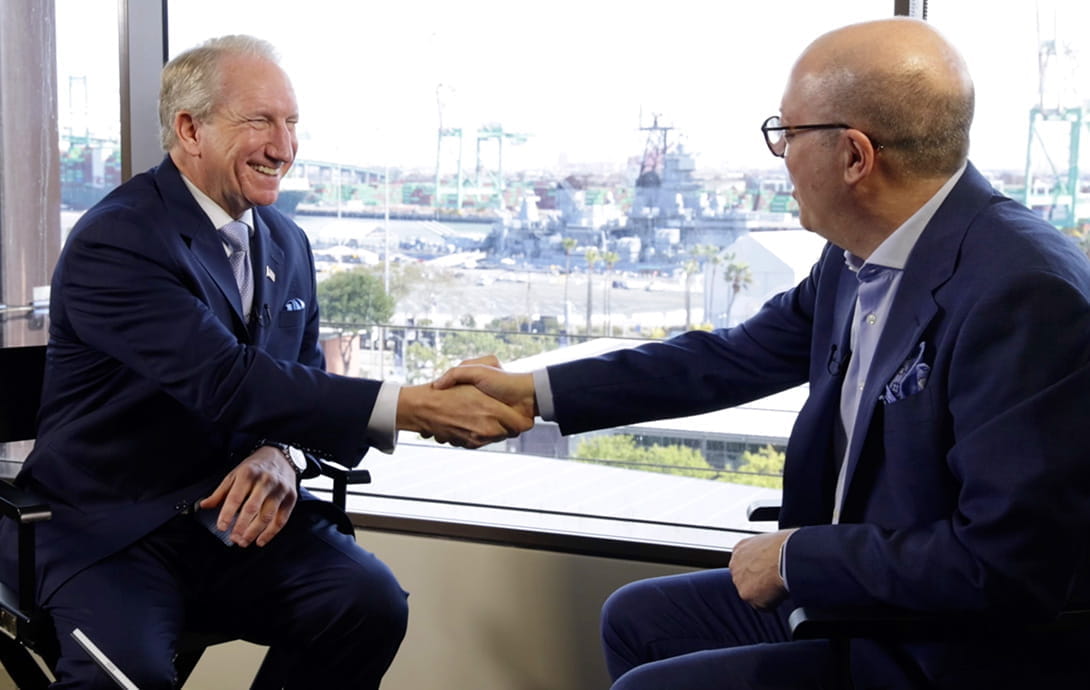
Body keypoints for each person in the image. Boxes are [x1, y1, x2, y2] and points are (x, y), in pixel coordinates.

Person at [436, 17, 1090, 690]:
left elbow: (1006, 564)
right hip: (862, 596)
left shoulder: (1024, 294)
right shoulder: (857, 257)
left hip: (947, 646)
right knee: (638, 620)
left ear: (855, 156)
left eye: (787, 132)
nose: (778, 156)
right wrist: (534, 392)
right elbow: (725, 360)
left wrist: (794, 559)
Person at [0, 35, 531, 689]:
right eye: (260, 121)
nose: (283, 146)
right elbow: (226, 380)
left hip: (231, 524)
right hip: (111, 530)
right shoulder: (119, 239)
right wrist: (414, 406)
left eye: (291, 122)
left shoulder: (286, 240)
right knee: (126, 679)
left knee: (367, 604)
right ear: (189, 129)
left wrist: (281, 452)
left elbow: (299, 382)